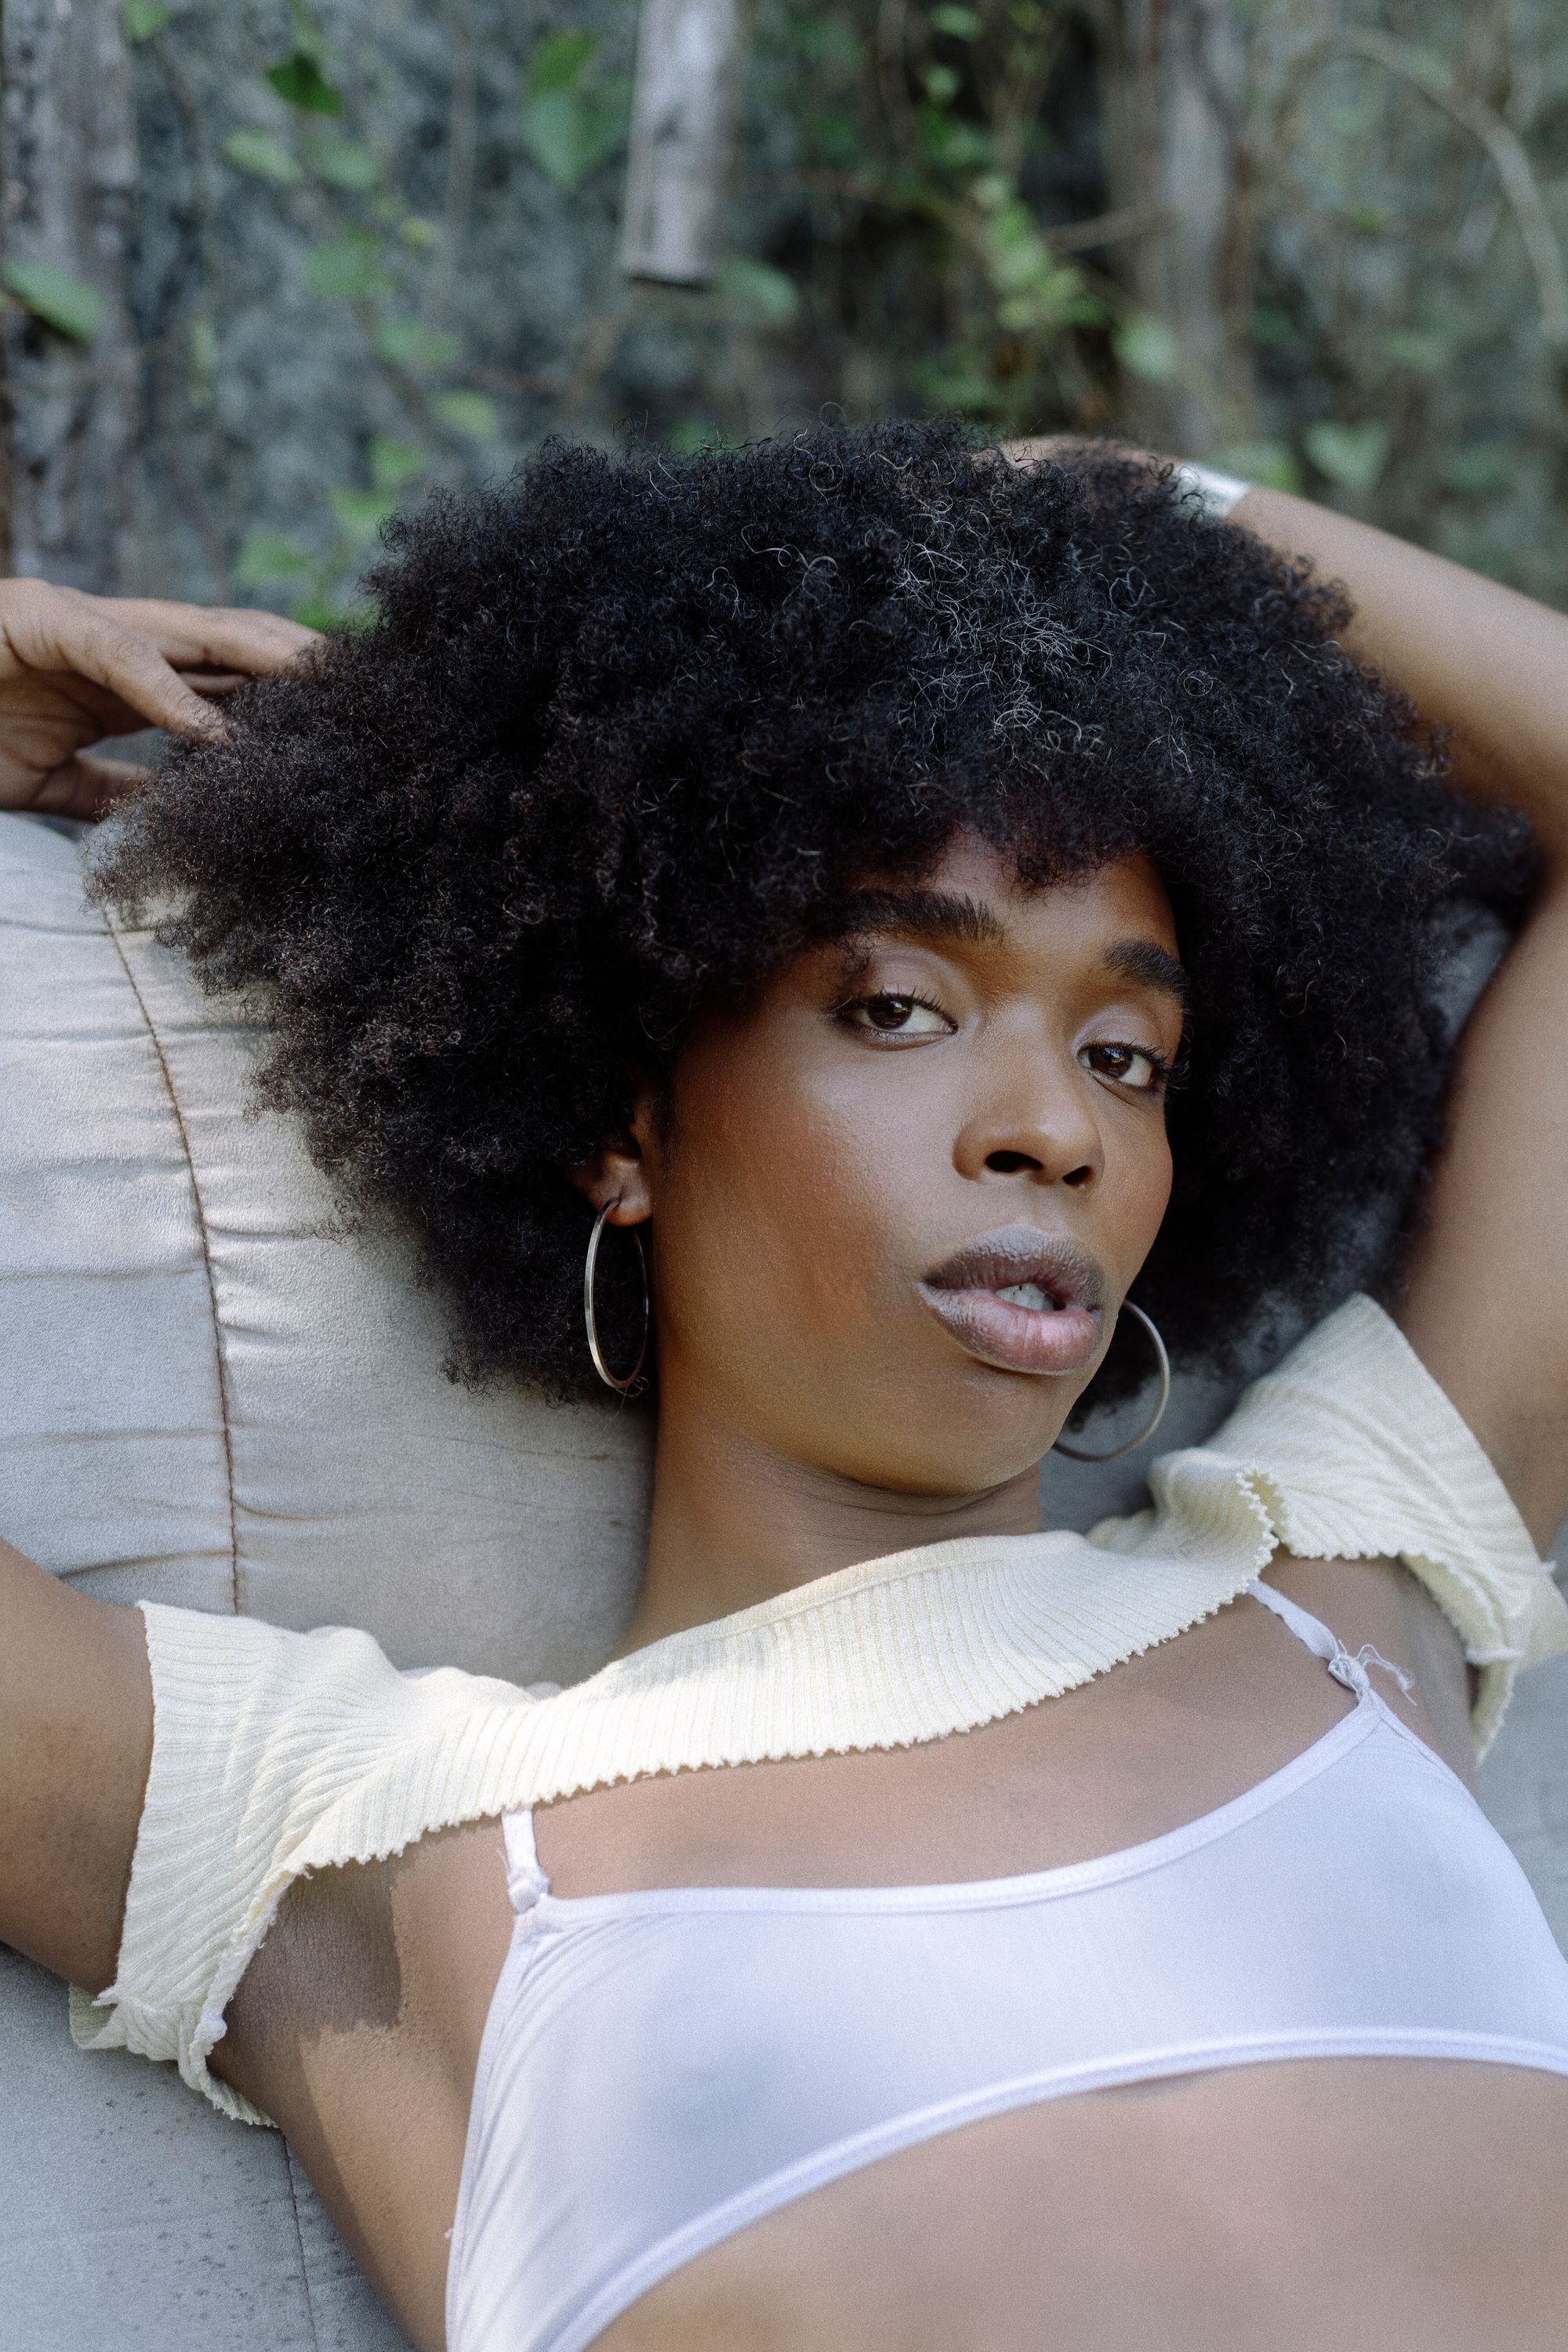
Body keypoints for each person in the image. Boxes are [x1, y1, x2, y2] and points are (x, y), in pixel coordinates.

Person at [2, 423, 1566, 2352]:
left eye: (1129, 1053)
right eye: (899, 1006)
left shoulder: (1342, 1603)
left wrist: (1124, 495)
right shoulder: (355, 1850)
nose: (1051, 1129)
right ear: (622, 1122)